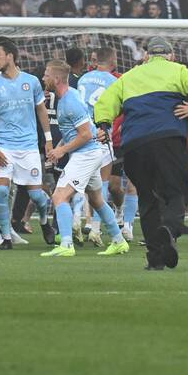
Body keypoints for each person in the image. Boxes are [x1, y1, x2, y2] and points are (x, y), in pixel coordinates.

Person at [95, 36, 188, 271]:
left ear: (147, 56)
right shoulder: (178, 71)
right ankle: (170, 231)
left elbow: (106, 102)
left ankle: (155, 259)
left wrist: (103, 125)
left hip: (134, 145)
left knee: (148, 200)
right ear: (171, 55)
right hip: (167, 140)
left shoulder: (130, 76)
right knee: (174, 193)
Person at [39, 59, 129, 258]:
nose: (43, 78)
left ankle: (66, 244)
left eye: (46, 74)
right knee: (96, 200)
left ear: (56, 78)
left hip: (86, 154)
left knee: (59, 196)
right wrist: (59, 148)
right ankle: (119, 241)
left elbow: (86, 134)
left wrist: (62, 151)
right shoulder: (66, 98)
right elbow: (75, 133)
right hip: (90, 153)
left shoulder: (70, 101)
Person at [0, 37, 56, 250]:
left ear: (10, 56)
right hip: (3, 146)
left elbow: (41, 110)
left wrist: (48, 141)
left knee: (37, 196)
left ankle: (44, 223)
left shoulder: (31, 82)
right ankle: (5, 237)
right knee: (2, 191)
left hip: (29, 147)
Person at [75, 47, 119, 246]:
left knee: (78, 181)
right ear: (113, 61)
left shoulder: (83, 78)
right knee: (103, 182)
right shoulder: (114, 81)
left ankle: (76, 218)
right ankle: (96, 228)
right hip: (101, 134)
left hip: (80, 132)